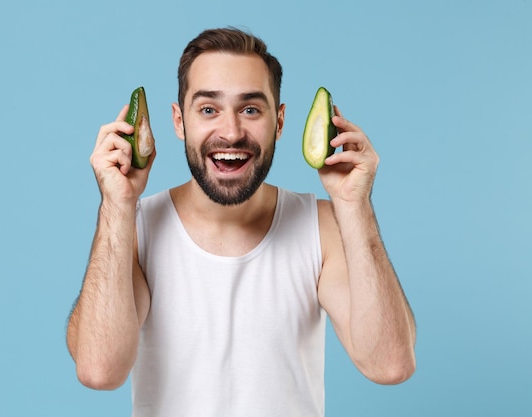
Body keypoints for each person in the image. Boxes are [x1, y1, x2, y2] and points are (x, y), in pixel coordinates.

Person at [66, 27, 416, 416]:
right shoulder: (135, 228)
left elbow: (390, 364)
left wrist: (355, 205)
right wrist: (117, 206)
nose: (231, 132)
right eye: (208, 109)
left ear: (279, 123)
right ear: (179, 122)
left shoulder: (324, 227)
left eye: (250, 109)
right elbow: (100, 371)